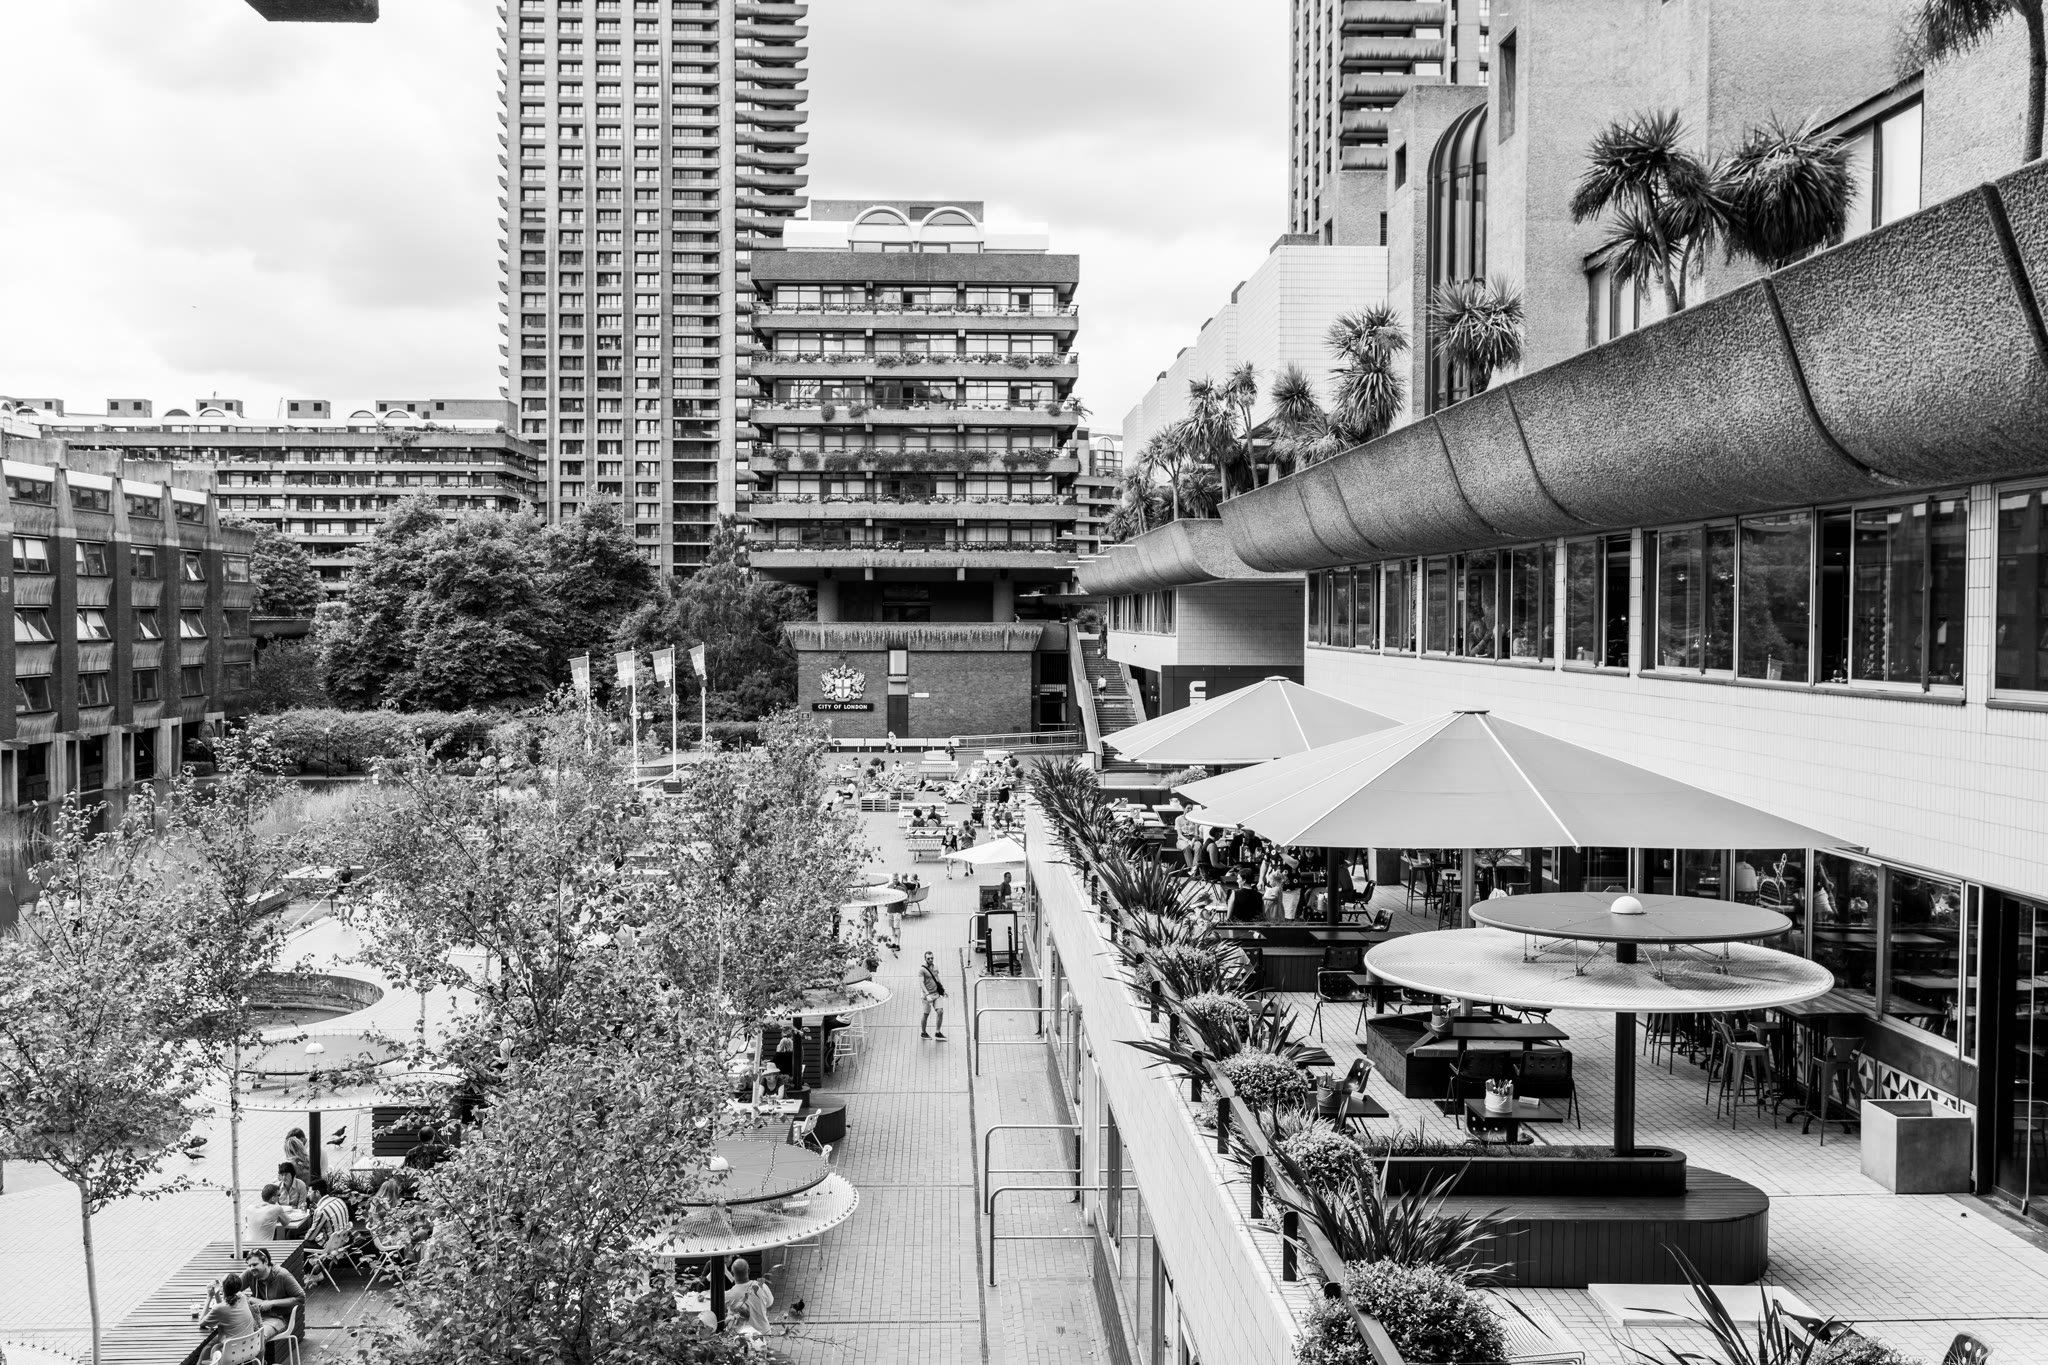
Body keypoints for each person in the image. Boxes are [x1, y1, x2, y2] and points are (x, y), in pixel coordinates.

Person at [240, 1249, 304, 1343]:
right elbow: (231, 1289)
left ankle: (258, 1353)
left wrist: (272, 1303)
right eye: (249, 1265)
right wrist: (249, 1299)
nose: (252, 1268)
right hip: (254, 1315)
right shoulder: (250, 1273)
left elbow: (301, 1298)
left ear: (265, 1261)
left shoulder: (282, 1275)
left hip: (278, 1318)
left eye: (255, 1264)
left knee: (258, 1338)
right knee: (233, 1332)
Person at [198, 1272, 259, 1346]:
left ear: (223, 1288)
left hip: (232, 1349)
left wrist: (209, 1297)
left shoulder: (220, 1308)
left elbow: (201, 1323)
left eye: (221, 1282)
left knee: (207, 1348)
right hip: (250, 1346)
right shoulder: (242, 1297)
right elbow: (224, 1308)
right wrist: (217, 1294)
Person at [725, 1259, 775, 1339]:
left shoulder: (729, 1295)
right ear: (749, 1271)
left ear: (732, 1273)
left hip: (743, 1338)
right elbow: (769, 1304)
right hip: (764, 1334)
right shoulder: (762, 1286)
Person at [304, 1177, 353, 1247]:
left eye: (309, 1192)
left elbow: (310, 1237)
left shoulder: (321, 1210)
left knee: (301, 1244)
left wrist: (304, 1237)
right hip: (343, 1240)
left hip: (331, 1245)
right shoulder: (339, 1200)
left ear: (317, 1193)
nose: (308, 1195)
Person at [918, 951, 948, 1040]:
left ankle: (938, 1032)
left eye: (932, 958)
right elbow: (921, 983)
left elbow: (937, 978)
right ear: (925, 959)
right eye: (928, 958)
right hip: (927, 995)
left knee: (940, 1011)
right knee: (926, 1014)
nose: (930, 960)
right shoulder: (922, 970)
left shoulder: (935, 967)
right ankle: (923, 1032)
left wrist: (942, 990)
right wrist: (927, 994)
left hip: (936, 993)